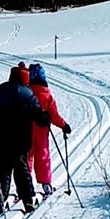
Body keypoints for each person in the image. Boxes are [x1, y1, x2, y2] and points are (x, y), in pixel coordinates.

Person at [0, 65, 50, 214]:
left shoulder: (2, 93)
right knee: (22, 170)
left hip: (2, 139)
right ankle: (28, 200)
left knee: (2, 169)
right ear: (26, 79)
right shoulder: (29, 96)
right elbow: (40, 118)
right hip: (21, 141)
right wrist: (46, 117)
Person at [27, 62, 71, 197]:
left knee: (27, 158)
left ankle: (26, 185)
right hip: (41, 133)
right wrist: (64, 125)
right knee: (43, 157)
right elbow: (54, 115)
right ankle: (46, 184)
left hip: (26, 132)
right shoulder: (46, 95)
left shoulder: (26, 93)